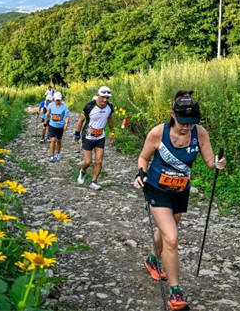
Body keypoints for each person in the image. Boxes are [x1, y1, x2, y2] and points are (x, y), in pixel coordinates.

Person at [132, 90, 227, 311]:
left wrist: (217, 163)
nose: (187, 127)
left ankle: (152, 259)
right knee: (172, 238)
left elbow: (209, 160)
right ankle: (176, 292)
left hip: (180, 190)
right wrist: (140, 173)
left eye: (191, 122)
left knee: (168, 231)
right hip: (157, 188)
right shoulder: (158, 133)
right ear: (173, 114)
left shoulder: (200, 133)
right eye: (183, 122)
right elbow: (144, 157)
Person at [73, 86, 115, 190]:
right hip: (88, 136)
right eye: (103, 97)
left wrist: (112, 132)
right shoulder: (89, 106)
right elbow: (81, 121)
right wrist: (77, 133)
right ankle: (82, 172)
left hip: (100, 137)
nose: (105, 100)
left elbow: (110, 119)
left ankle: (94, 181)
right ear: (98, 95)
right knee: (88, 161)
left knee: (99, 161)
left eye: (107, 98)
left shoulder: (109, 107)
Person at [45, 92, 70, 162]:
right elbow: (47, 114)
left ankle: (58, 153)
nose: (57, 101)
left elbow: (67, 116)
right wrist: (45, 122)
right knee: (53, 140)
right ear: (53, 99)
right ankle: (52, 155)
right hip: (52, 125)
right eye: (56, 100)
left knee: (59, 140)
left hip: (60, 126)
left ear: (61, 100)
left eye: (59, 100)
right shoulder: (50, 105)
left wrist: (66, 124)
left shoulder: (64, 106)